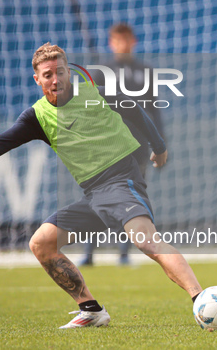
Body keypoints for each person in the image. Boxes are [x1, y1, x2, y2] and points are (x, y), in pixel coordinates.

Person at [0, 43, 202, 329]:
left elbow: (135, 110)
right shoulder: (36, 116)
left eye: (60, 72)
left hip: (122, 181)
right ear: (37, 79)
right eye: (48, 74)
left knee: (146, 240)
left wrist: (159, 147)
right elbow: (5, 139)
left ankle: (200, 299)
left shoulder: (95, 91)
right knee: (42, 244)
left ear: (68, 72)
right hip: (93, 196)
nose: (55, 79)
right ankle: (91, 309)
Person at [80, 22, 165, 266]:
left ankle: (124, 253)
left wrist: (160, 143)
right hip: (107, 147)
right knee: (97, 198)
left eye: (126, 40)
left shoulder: (145, 71)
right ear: (111, 43)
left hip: (137, 147)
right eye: (118, 40)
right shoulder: (100, 71)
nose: (122, 45)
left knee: (133, 199)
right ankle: (89, 253)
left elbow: (154, 110)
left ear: (133, 42)